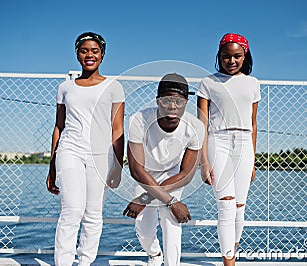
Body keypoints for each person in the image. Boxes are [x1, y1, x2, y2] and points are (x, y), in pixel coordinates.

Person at [46, 32, 125, 266]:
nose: (89, 55)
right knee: (71, 211)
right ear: (77, 54)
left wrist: (118, 166)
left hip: (101, 155)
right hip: (70, 150)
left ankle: (85, 262)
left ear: (102, 55)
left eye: (94, 51)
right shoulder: (65, 88)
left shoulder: (114, 87)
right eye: (84, 50)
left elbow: (117, 128)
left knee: (93, 215)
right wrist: (52, 166)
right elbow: (58, 127)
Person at [123, 73, 205, 266]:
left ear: (186, 102)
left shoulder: (196, 127)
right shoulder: (139, 119)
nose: (172, 106)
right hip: (145, 175)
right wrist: (162, 200)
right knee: (143, 227)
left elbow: (187, 173)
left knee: (171, 219)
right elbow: (136, 168)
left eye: (178, 101)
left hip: (173, 175)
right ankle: (154, 254)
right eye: (166, 100)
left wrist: (147, 199)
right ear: (157, 101)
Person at [197, 33, 261, 266]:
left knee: (239, 207)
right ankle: (229, 263)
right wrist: (204, 162)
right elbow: (201, 124)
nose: (231, 61)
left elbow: (253, 124)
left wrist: (253, 159)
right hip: (219, 141)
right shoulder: (208, 83)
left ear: (245, 56)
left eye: (237, 56)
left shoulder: (253, 84)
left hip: (244, 144)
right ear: (219, 56)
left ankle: (232, 250)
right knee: (225, 205)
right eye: (226, 56)